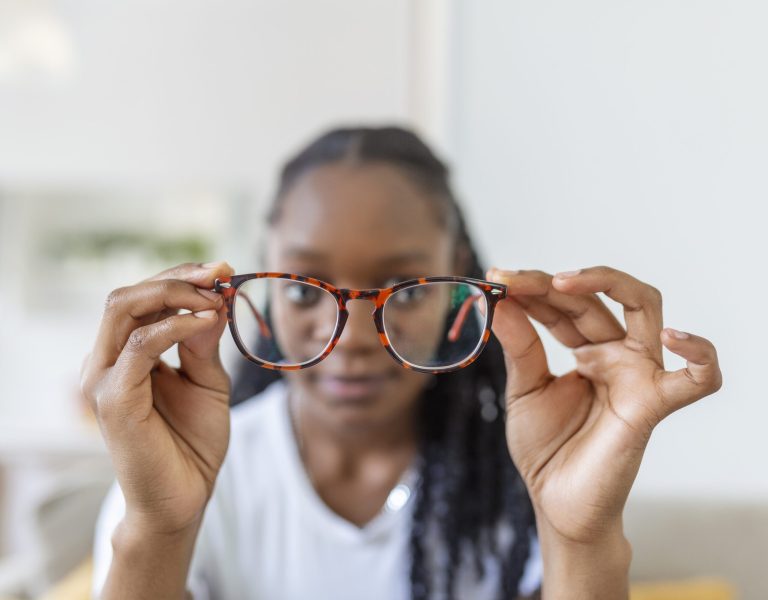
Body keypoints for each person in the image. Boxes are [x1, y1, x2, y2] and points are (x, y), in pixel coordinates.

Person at [83, 126, 722, 600]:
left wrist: (580, 538)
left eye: (406, 288)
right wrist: (160, 526)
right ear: (265, 290)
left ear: (459, 284)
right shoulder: (181, 483)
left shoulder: (521, 477)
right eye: (306, 289)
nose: (356, 337)